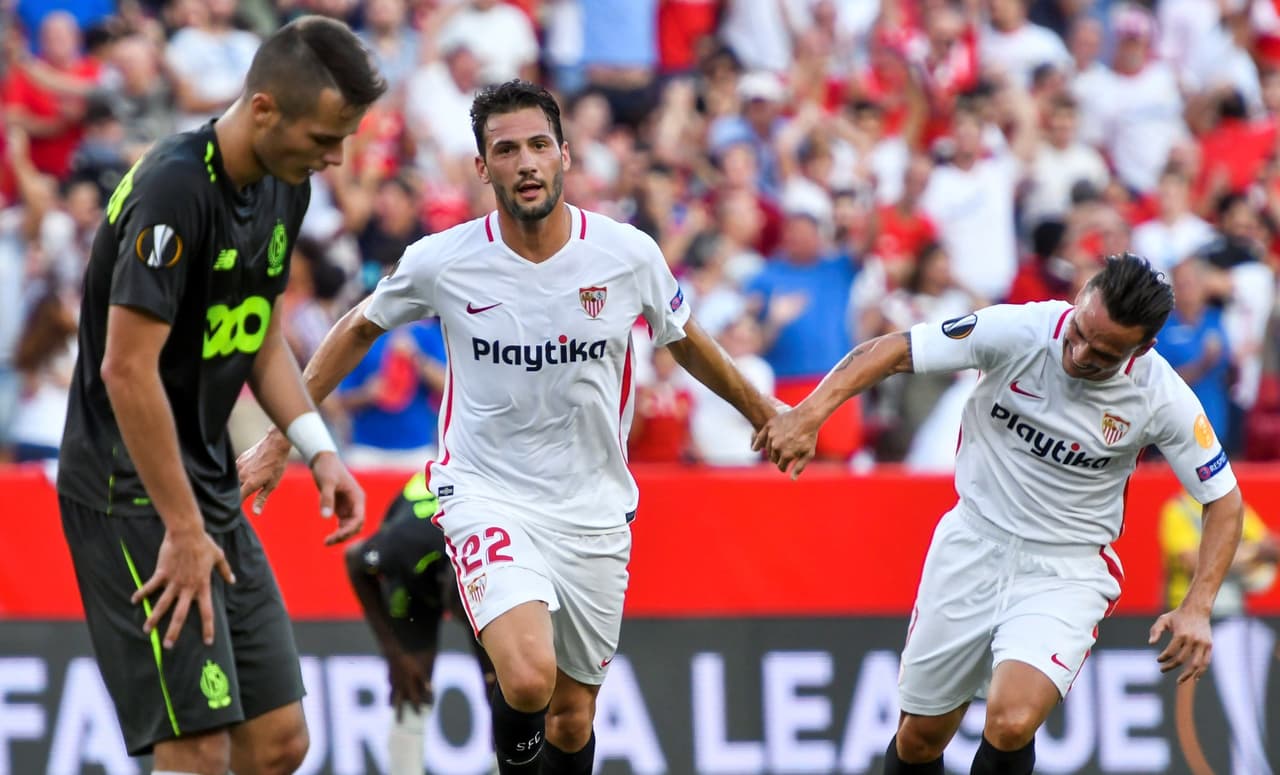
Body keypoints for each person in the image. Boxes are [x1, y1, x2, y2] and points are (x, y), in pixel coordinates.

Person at [238, 79, 779, 775]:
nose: (524, 162)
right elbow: (359, 326)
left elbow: (686, 337)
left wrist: (764, 413)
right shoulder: (445, 260)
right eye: (506, 149)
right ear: (482, 167)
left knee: (571, 714)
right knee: (526, 677)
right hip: (485, 490)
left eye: (537, 145)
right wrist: (282, 436)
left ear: (564, 156)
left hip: (592, 509)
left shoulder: (625, 255)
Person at [753, 254, 1245, 775]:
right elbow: (893, 350)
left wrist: (1198, 605)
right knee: (921, 738)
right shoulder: (1018, 330)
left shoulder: (1160, 395)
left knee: (1011, 721)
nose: (1078, 354)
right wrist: (809, 414)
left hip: (1066, 569)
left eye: (1102, 354)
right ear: (1080, 299)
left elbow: (1225, 499)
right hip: (972, 543)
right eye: (1078, 332)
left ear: (1142, 348)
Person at [55, 17, 384, 775]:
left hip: (203, 483)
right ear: (264, 108)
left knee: (277, 742)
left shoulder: (284, 183)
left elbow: (256, 331)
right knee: (197, 749)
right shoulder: (174, 189)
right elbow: (125, 370)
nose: (335, 157)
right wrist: (181, 525)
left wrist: (317, 448)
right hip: (129, 493)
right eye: (324, 136)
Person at [345, 471, 498, 775]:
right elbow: (353, 559)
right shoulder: (404, 547)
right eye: (460, 609)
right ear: (444, 581)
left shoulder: (494, 559)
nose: (463, 617)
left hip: (482, 566)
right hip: (414, 568)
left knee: (504, 688)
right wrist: (394, 653)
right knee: (412, 684)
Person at [1159, 489, 1278, 775]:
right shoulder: (1177, 510)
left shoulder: (1233, 505)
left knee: (1240, 706)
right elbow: (1192, 563)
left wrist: (1224, 555)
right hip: (1186, 622)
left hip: (1232, 619)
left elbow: (1272, 547)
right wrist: (1247, 553)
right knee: (1201, 708)